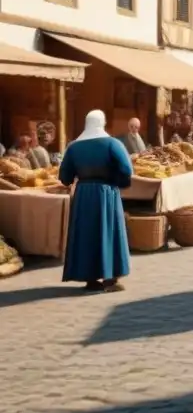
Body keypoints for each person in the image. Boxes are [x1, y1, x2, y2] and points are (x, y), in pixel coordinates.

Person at [59, 110, 133, 292]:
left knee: (87, 234)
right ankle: (110, 279)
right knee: (108, 231)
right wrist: (119, 182)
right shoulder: (112, 144)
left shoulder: (73, 147)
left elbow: (64, 176)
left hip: (83, 194)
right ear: (103, 123)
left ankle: (91, 280)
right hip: (106, 192)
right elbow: (126, 169)